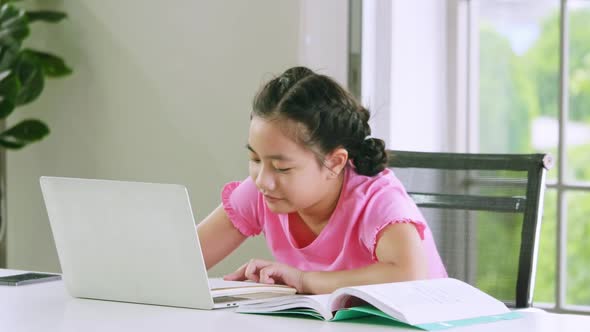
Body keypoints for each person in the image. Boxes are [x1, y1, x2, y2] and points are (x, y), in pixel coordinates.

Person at [197, 66, 447, 295]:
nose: (263, 180)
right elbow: (185, 260)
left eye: (282, 168)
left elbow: (409, 275)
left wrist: (304, 281)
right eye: (255, 159)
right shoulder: (265, 190)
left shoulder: (377, 199)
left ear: (335, 162)